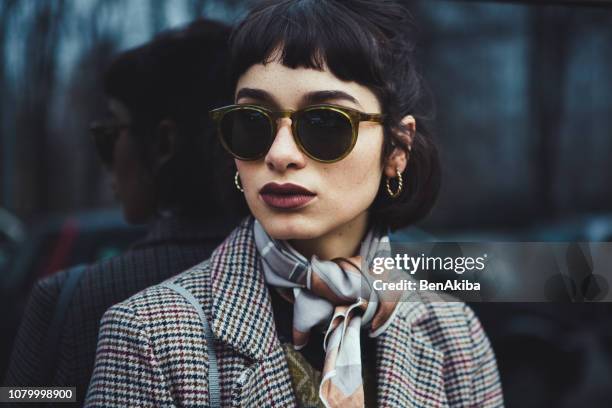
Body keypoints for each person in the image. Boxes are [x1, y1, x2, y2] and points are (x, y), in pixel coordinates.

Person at [86, 1, 503, 407]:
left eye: (324, 122)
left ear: (397, 149)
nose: (279, 154)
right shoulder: (147, 335)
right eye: (252, 122)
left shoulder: (454, 333)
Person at [4, 19, 236, 406]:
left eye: (110, 133)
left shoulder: (74, 298)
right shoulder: (324, 285)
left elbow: (29, 399)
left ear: (163, 143)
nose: (107, 158)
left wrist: (69, 393)